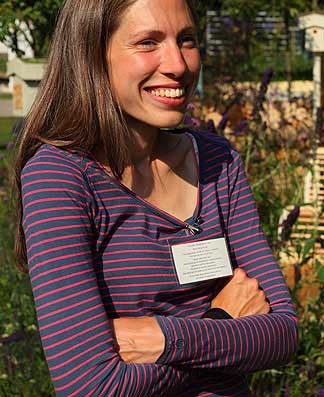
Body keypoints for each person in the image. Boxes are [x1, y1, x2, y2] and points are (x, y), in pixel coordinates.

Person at [12, 0, 298, 395]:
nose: (178, 64)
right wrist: (220, 324)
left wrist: (158, 338)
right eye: (148, 42)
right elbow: (90, 386)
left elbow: (283, 332)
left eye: (187, 40)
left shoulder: (218, 160)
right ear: (92, 54)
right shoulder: (60, 178)